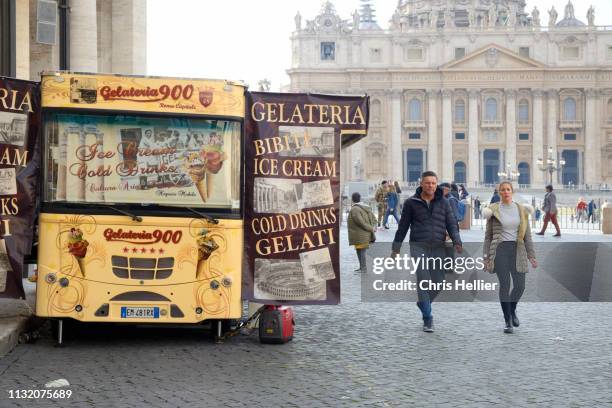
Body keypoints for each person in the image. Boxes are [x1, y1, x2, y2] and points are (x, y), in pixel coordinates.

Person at [391, 171, 463, 333]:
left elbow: (451, 224)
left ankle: (424, 303)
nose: (430, 185)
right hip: (418, 246)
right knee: (423, 279)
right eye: (427, 183)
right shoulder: (411, 203)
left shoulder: (444, 203)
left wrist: (457, 241)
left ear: (436, 185)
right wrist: (396, 247)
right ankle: (428, 318)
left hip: (438, 246)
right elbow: (403, 227)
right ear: (421, 184)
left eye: (433, 183)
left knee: (439, 282)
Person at [483, 181, 537, 334]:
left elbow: (528, 236)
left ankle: (512, 309)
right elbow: (488, 237)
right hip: (499, 250)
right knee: (505, 285)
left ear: (512, 191)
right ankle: (508, 321)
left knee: (520, 286)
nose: (505, 192)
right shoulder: (493, 210)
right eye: (502, 190)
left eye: (508, 189)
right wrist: (486, 257)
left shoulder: (522, 210)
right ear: (499, 192)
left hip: (517, 250)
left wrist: (531, 255)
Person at [348, 192, 377, 273]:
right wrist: (373, 227)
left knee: (361, 251)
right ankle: (361, 267)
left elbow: (360, 222)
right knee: (360, 250)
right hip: (363, 234)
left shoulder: (355, 209)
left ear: (352, 199)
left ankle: (363, 268)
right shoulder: (366, 207)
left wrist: (371, 228)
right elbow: (374, 219)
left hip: (359, 234)